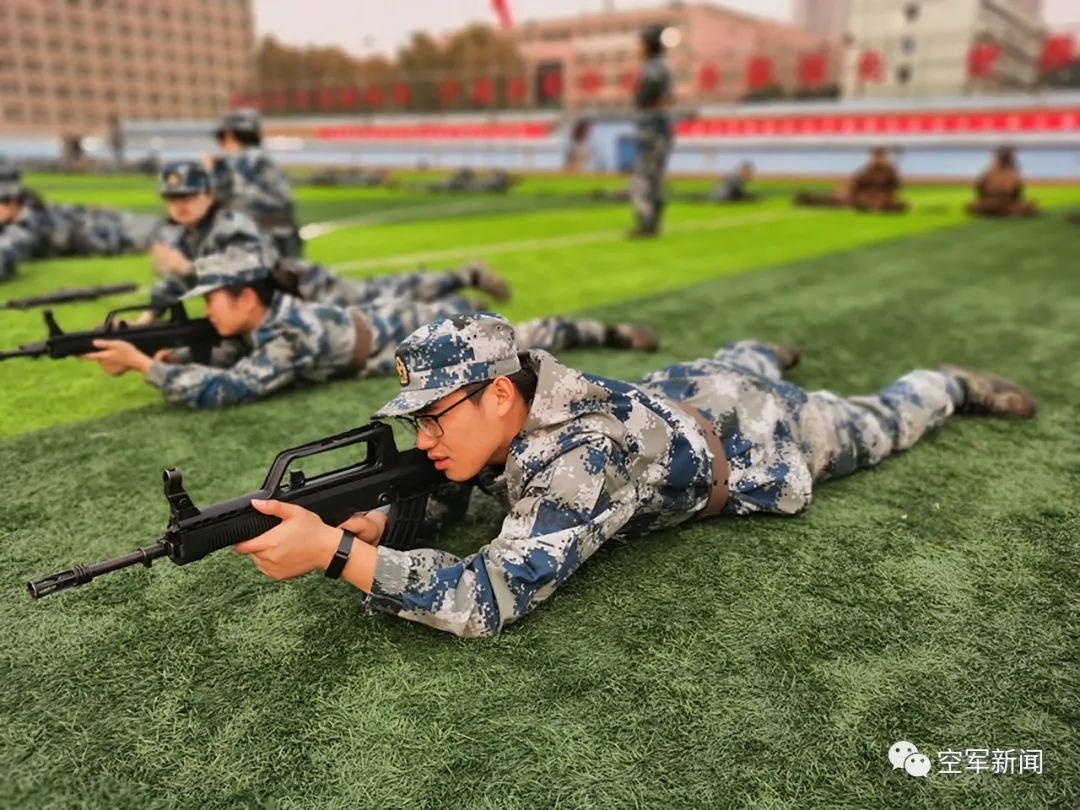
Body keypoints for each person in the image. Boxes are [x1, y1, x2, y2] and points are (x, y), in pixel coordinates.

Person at [227, 312, 1037, 638]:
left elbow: (487, 598)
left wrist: (339, 555)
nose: (423, 436)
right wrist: (380, 525)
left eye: (435, 415)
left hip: (754, 432)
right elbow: (465, 487)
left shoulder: (581, 456)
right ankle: (758, 346)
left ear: (500, 392)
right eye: (415, 418)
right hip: (681, 393)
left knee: (882, 419)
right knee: (722, 365)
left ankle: (949, 382)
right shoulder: (512, 410)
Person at [81, 251, 660, 409]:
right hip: (376, 322)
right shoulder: (263, 322)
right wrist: (157, 352)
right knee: (440, 296)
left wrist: (144, 366)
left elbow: (227, 388)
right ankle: (463, 288)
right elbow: (222, 353)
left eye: (212, 301)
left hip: (396, 335)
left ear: (248, 297)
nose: (206, 313)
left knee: (526, 336)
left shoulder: (288, 338)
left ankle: (605, 332)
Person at [141, 160, 274, 323]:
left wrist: (189, 268)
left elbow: (247, 268)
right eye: (172, 198)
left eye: (189, 196)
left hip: (276, 314)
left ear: (209, 196)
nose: (181, 205)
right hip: (238, 317)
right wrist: (145, 319)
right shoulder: (186, 235)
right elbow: (174, 284)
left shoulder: (231, 225)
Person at [0, 165, 160, 281]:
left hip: (102, 233)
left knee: (161, 232)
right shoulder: (27, 210)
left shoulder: (25, 223)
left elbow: (7, 254)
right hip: (90, 221)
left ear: (12, 201)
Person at [206, 109, 302, 258]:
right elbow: (284, 200)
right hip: (282, 236)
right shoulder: (262, 159)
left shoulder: (234, 162)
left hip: (255, 240)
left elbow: (219, 197)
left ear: (230, 135)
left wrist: (211, 172)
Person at [271, 256, 511, 309]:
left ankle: (459, 305)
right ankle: (462, 291)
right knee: (376, 292)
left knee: (375, 300)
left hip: (295, 285)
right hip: (291, 274)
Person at [629, 25, 675, 238]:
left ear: (648, 45)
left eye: (640, 43)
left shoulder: (652, 69)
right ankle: (652, 223)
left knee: (644, 178)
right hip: (659, 129)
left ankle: (647, 223)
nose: (637, 47)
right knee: (653, 179)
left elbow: (644, 98)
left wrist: (640, 102)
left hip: (652, 129)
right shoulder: (662, 67)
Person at [794, 148, 908, 213]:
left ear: (884, 158)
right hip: (861, 195)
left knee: (891, 203)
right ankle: (807, 199)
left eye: (879, 157)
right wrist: (846, 185)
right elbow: (856, 180)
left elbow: (895, 186)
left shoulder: (889, 170)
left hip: (878, 196)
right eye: (874, 157)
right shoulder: (869, 169)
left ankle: (876, 206)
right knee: (836, 200)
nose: (876, 159)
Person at [966, 147, 1039, 218]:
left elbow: (979, 188)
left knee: (973, 205)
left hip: (990, 203)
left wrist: (984, 198)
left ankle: (993, 210)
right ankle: (1007, 211)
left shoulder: (989, 172)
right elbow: (1018, 194)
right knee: (1030, 205)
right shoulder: (1012, 174)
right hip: (1005, 205)